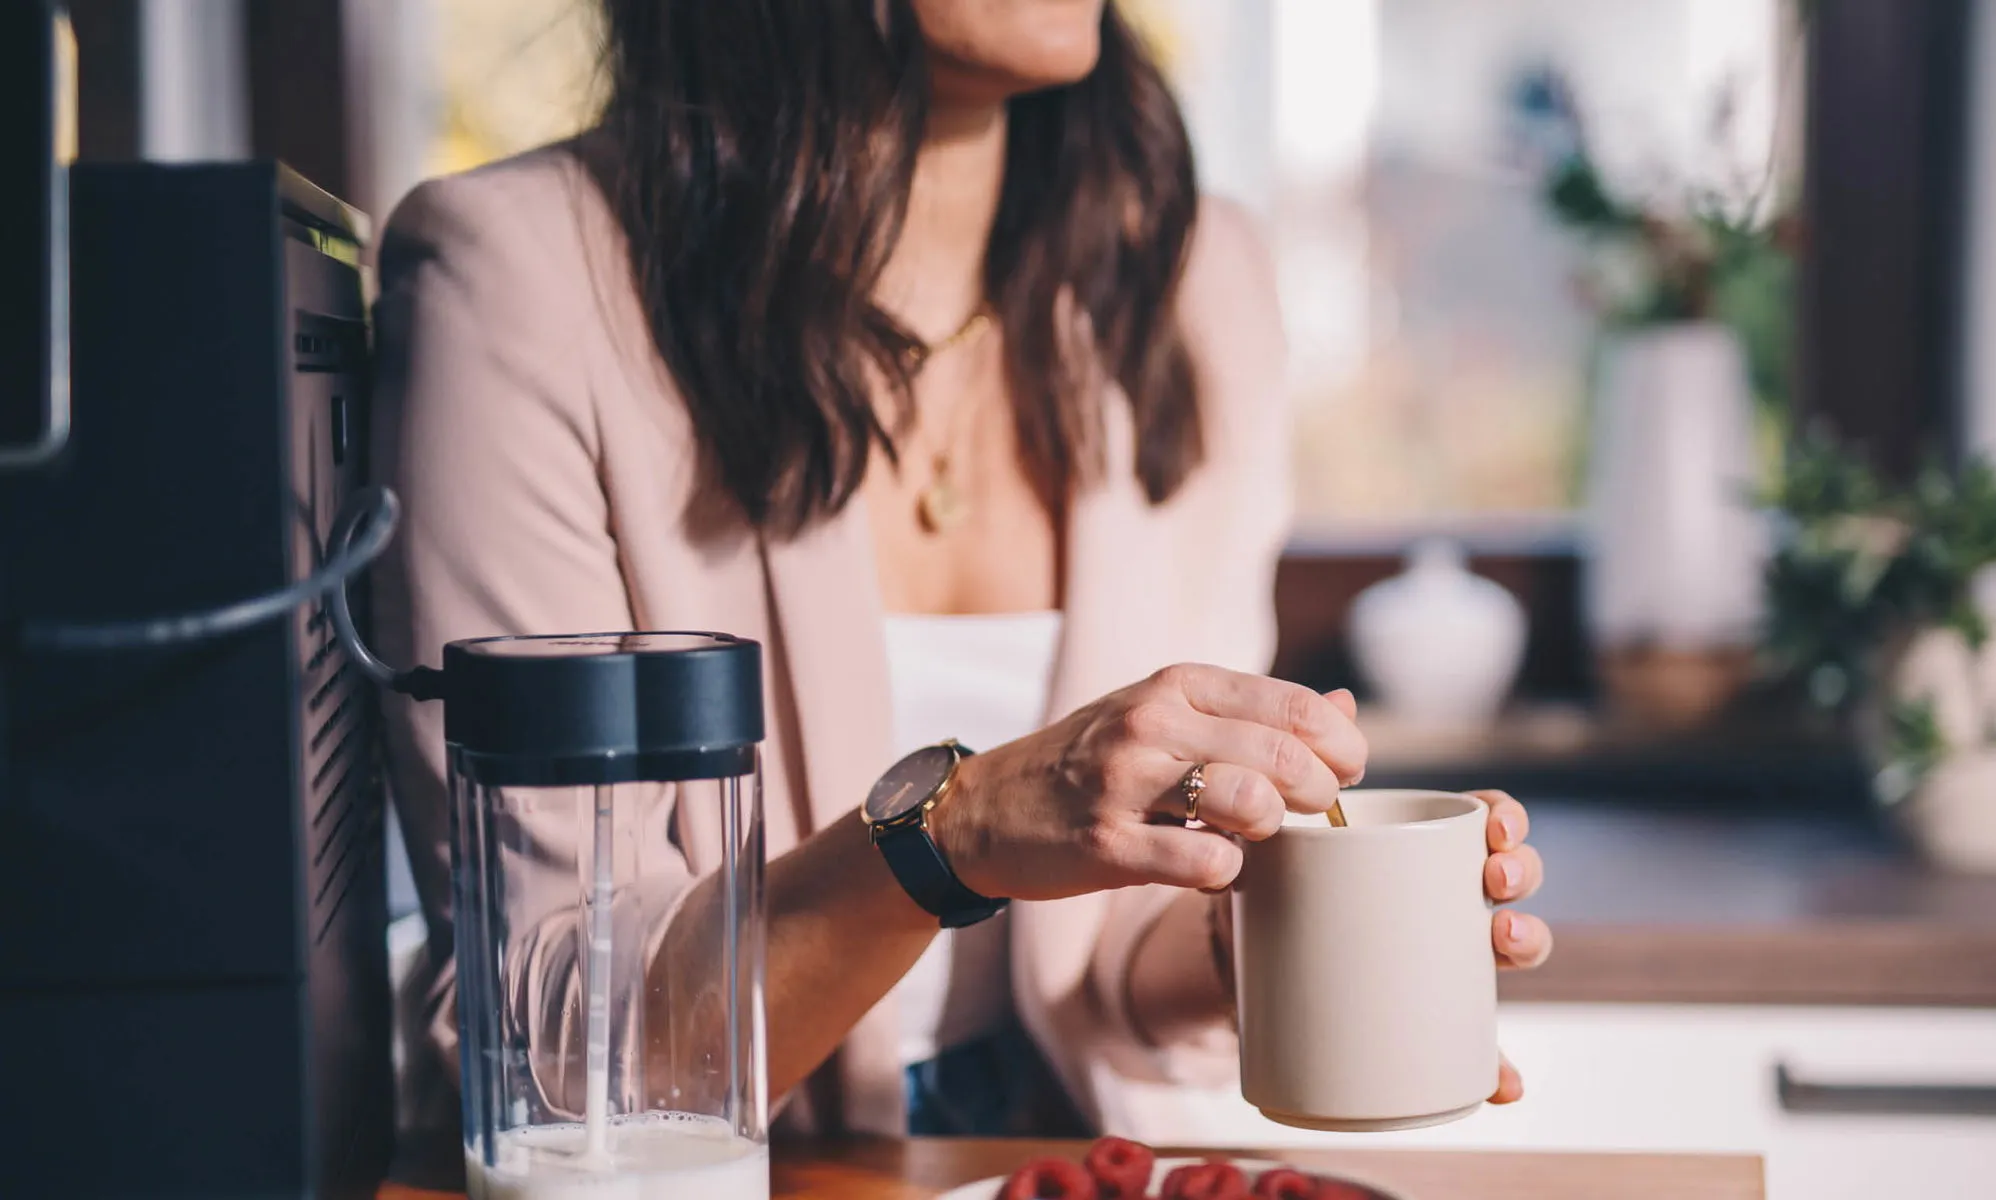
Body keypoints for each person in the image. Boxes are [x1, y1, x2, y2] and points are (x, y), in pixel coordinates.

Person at [373, 0, 1552, 1174]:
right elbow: (550, 1043)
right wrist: (953, 832)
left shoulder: (1194, 278)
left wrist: (1256, 938)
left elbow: (1113, 956)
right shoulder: (520, 279)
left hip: (1069, 1149)